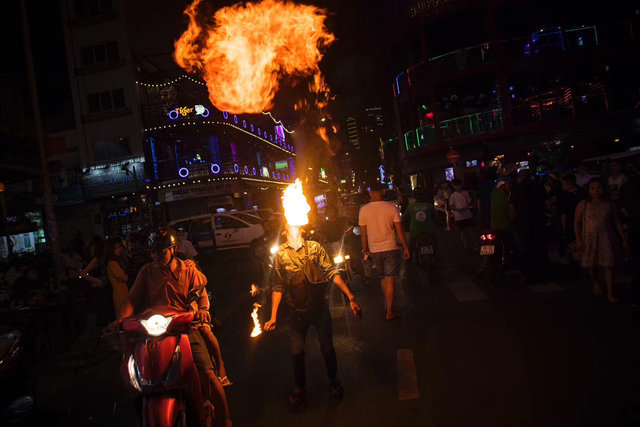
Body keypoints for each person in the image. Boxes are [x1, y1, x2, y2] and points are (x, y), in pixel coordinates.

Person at [113, 227, 232, 426]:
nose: (157, 256)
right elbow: (132, 299)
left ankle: (226, 419)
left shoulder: (188, 269)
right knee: (132, 372)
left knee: (207, 375)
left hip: (185, 327)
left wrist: (202, 309)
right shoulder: (147, 272)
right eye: (153, 252)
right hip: (155, 330)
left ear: (173, 249)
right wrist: (121, 320)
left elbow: (202, 296)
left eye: (162, 251)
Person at [264, 221, 361, 407]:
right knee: (296, 353)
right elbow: (278, 286)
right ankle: (300, 388)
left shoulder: (315, 248)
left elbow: (332, 272)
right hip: (296, 313)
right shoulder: (281, 254)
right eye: (289, 226)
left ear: (301, 229)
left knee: (327, 349)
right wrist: (273, 316)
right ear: (284, 232)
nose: (293, 227)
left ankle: (334, 381)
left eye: (295, 225)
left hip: (319, 310)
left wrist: (350, 296)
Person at [358, 182, 410, 320]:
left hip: (375, 250)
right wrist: (405, 247)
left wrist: (364, 251)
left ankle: (388, 304)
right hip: (391, 248)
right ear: (383, 192)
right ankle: (389, 312)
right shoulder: (391, 207)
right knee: (390, 280)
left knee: (383, 279)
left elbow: (364, 235)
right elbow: (400, 230)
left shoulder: (363, 210)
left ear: (370, 193)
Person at [574, 178, 629, 303]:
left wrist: (623, 238)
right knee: (591, 266)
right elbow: (577, 223)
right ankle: (596, 282)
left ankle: (610, 293)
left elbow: (616, 221)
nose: (596, 191)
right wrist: (579, 239)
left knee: (609, 265)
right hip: (590, 239)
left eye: (598, 188)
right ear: (588, 190)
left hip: (606, 238)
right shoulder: (583, 204)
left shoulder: (609, 204)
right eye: (592, 188)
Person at [618, 159, 640, 316]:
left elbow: (623, 211)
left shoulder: (627, 188)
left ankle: (636, 300)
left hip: (635, 229)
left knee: (637, 266)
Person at [403, 187, 436, 255]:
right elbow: (435, 217)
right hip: (429, 230)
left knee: (411, 247)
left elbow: (404, 218)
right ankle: (437, 255)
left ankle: (409, 259)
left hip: (415, 231)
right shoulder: (429, 206)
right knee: (435, 243)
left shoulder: (411, 207)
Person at [105, 237, 129, 318]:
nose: (119, 249)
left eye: (119, 247)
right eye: (116, 248)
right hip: (120, 293)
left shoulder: (115, 262)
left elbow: (124, 277)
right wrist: (124, 277)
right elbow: (125, 278)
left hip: (121, 291)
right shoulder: (113, 263)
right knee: (123, 316)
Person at [448, 179, 475, 251]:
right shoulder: (453, 195)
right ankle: (466, 245)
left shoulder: (465, 193)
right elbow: (451, 205)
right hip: (459, 216)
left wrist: (466, 207)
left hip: (467, 214)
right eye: (456, 185)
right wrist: (457, 209)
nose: (458, 187)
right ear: (454, 186)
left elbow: (470, 202)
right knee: (462, 232)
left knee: (471, 231)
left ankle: (472, 244)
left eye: (459, 185)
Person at [557, 174, 583, 246]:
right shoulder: (582, 192)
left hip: (570, 221)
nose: (562, 186)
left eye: (563, 184)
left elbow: (563, 212)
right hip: (581, 220)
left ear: (568, 184)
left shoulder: (564, 196)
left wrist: (563, 226)